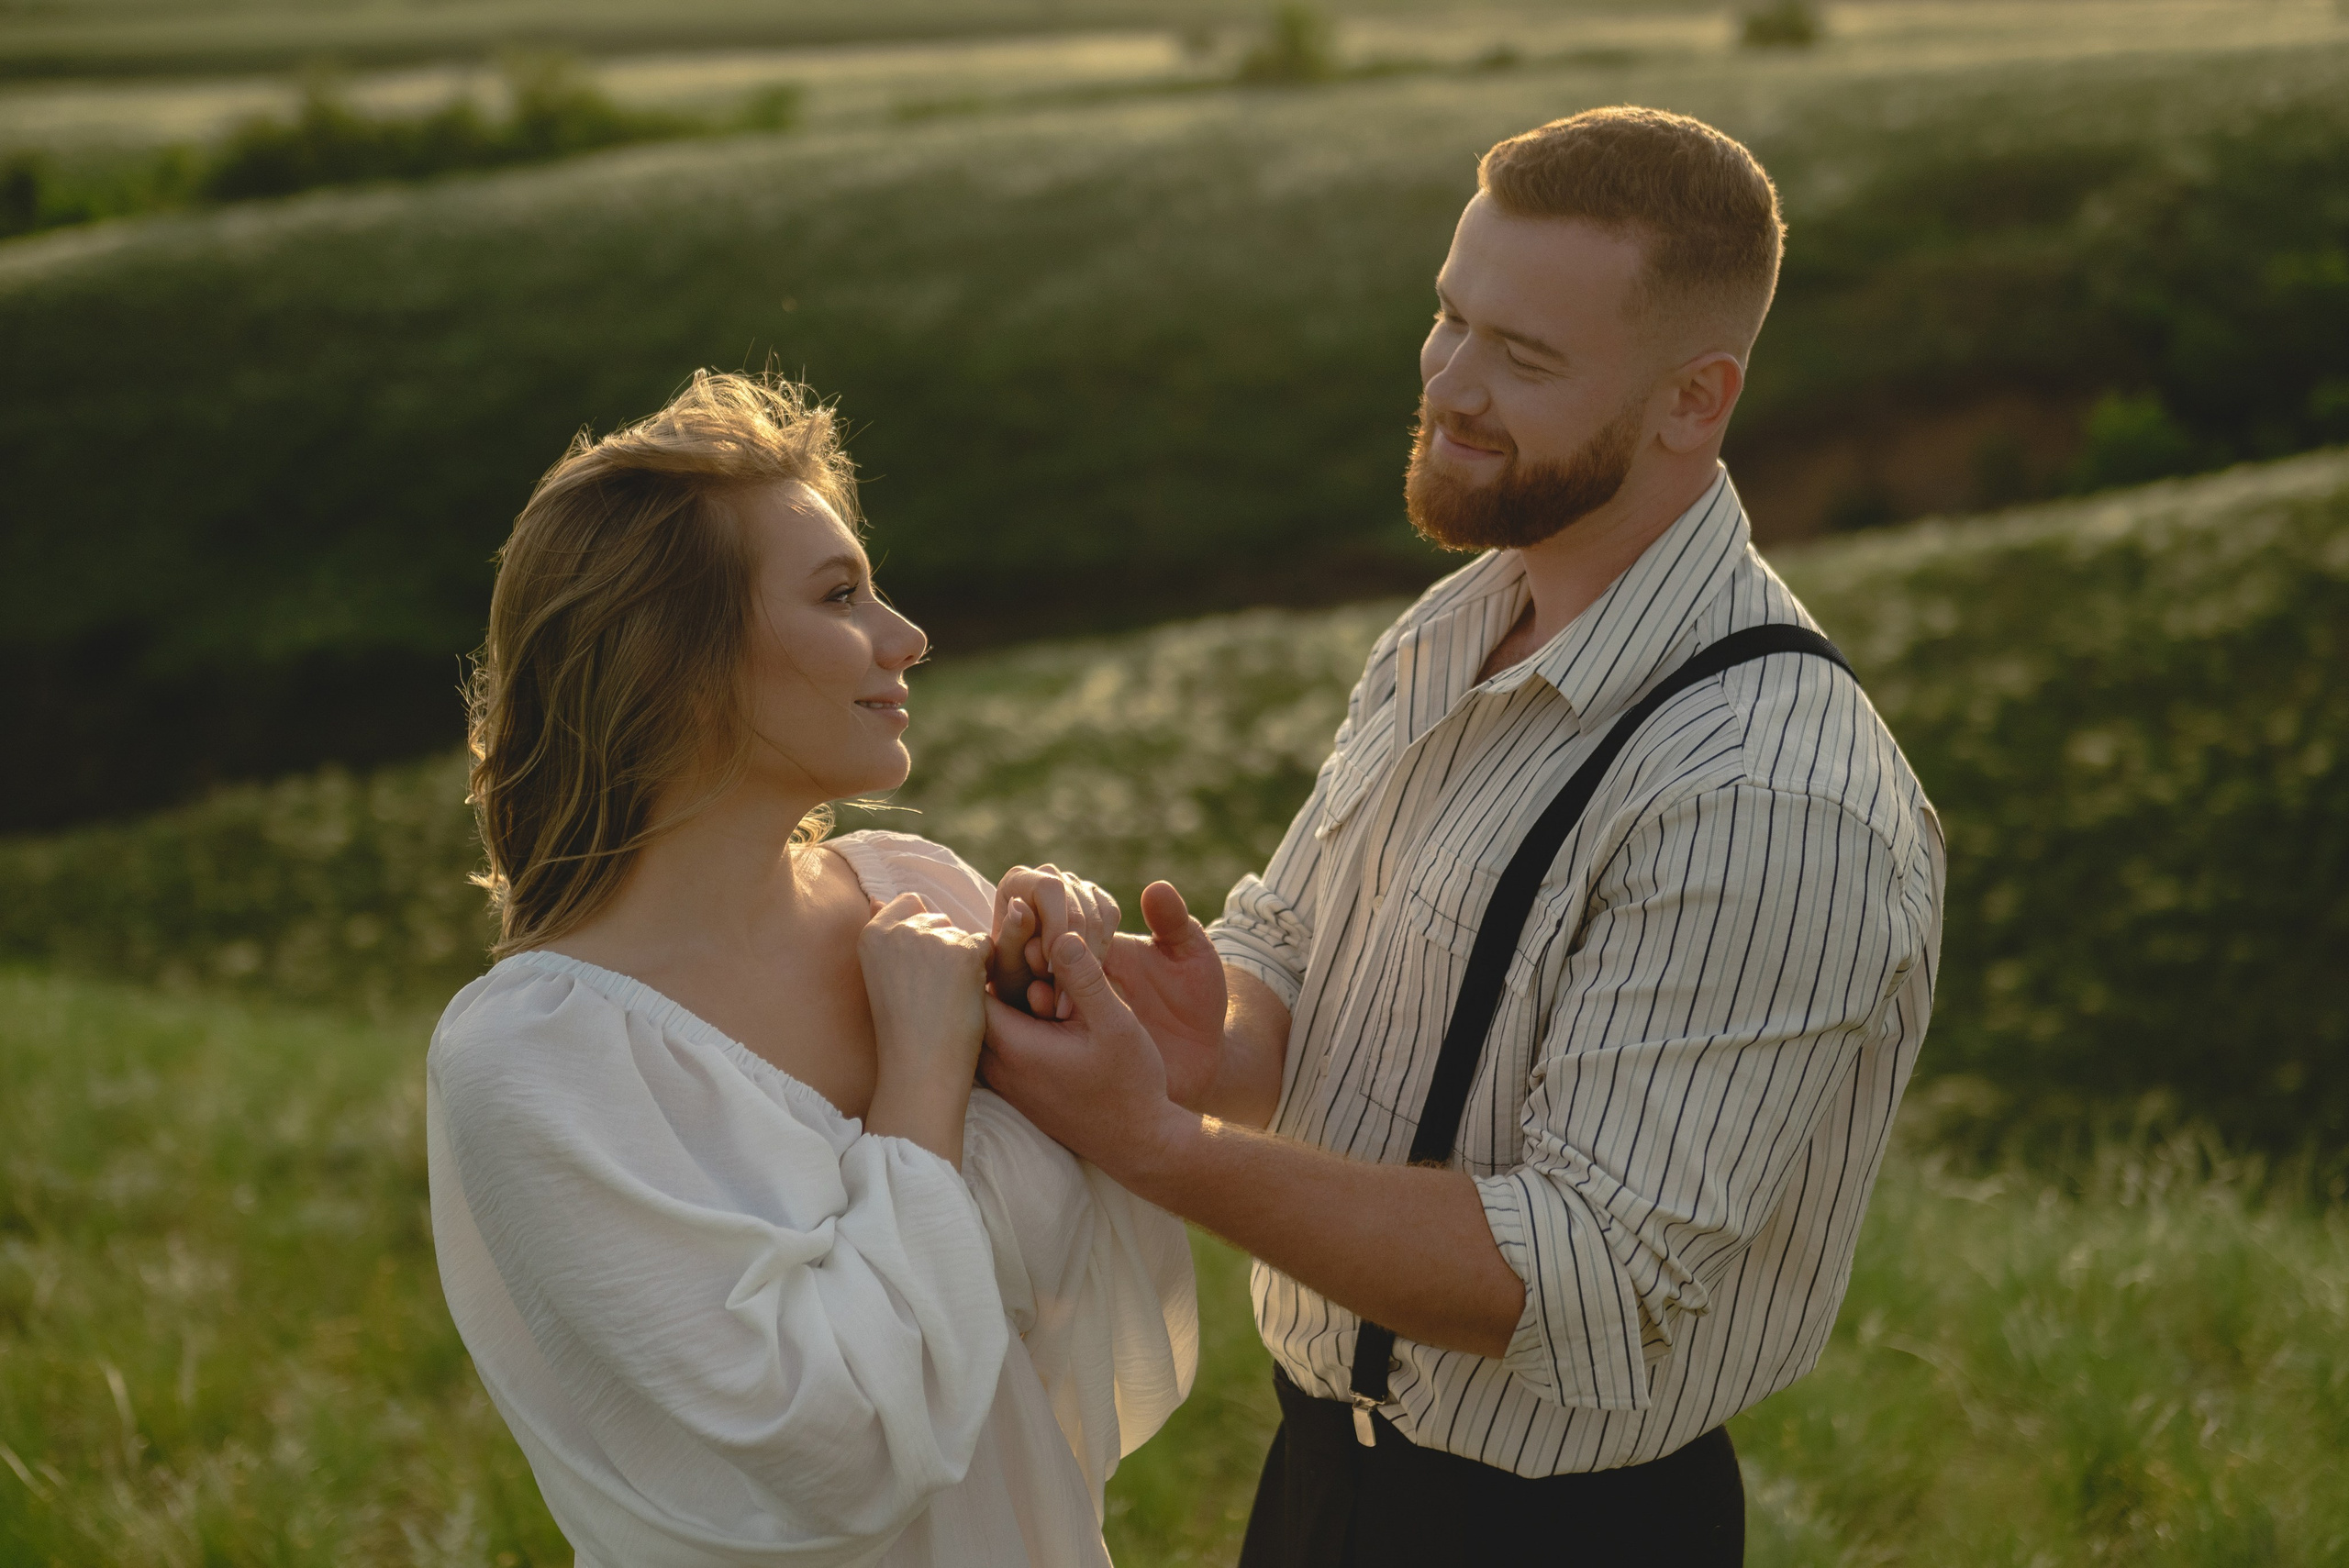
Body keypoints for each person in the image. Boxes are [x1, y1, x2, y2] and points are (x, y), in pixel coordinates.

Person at [981, 106, 1946, 1564]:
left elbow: (1584, 1273)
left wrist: (1156, 1142)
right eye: (1450, 316)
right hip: (1323, 1483)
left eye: (1526, 357)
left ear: (1696, 400)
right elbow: (1291, 954)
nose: (1450, 382)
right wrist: (1197, 1025)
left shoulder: (1769, 795)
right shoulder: (1463, 620)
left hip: (1556, 1532)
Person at [424, 371, 1196, 1568]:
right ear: (672, 659)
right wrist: (927, 1081)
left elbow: (1074, 1286)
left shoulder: (920, 891)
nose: (908, 638)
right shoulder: (534, 1057)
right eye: (842, 596)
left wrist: (1070, 983)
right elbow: (835, 1456)